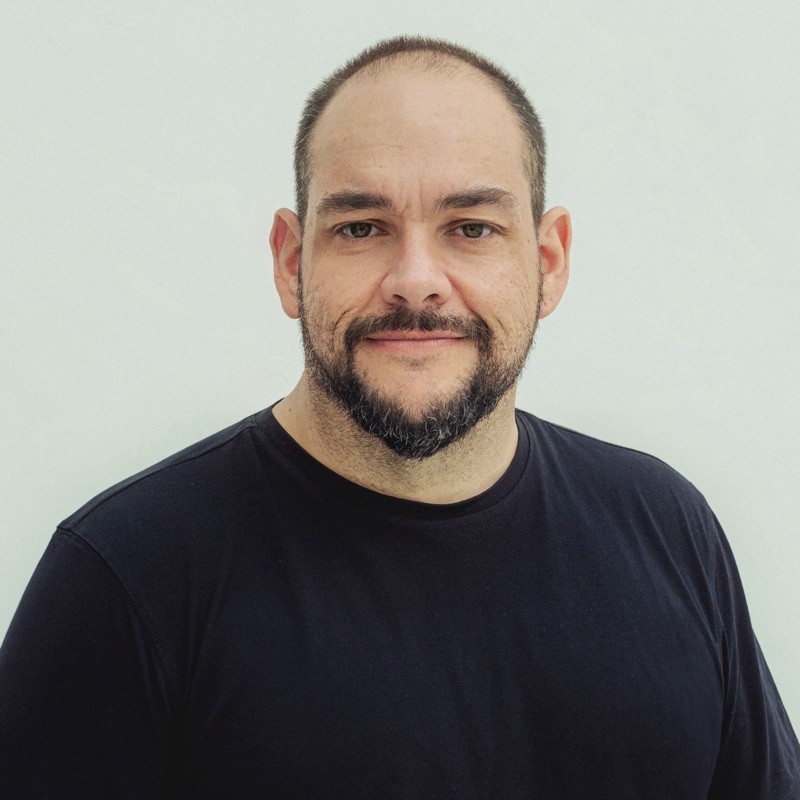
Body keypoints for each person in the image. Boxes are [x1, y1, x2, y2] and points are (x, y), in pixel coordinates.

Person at [1, 35, 798, 799]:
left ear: (548, 261)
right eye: (361, 228)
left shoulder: (667, 528)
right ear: (291, 260)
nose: (416, 280)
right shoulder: (126, 577)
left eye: (471, 228)